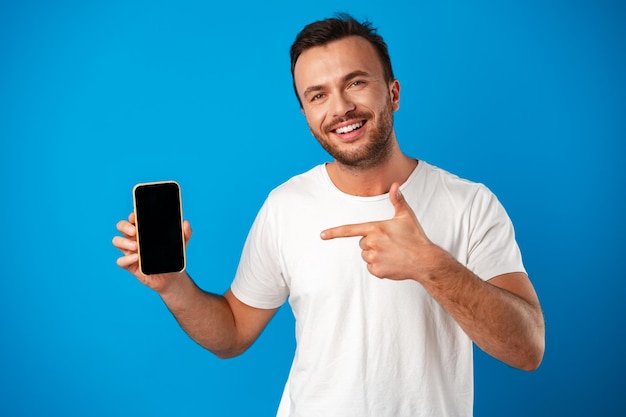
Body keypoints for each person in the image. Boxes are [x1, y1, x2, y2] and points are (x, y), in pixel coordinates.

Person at [113, 14, 544, 417]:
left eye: (355, 83)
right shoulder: (286, 206)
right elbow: (232, 334)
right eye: (317, 95)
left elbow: (527, 349)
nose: (339, 108)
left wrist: (431, 266)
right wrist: (173, 286)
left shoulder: (469, 204)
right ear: (306, 114)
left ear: (392, 93)